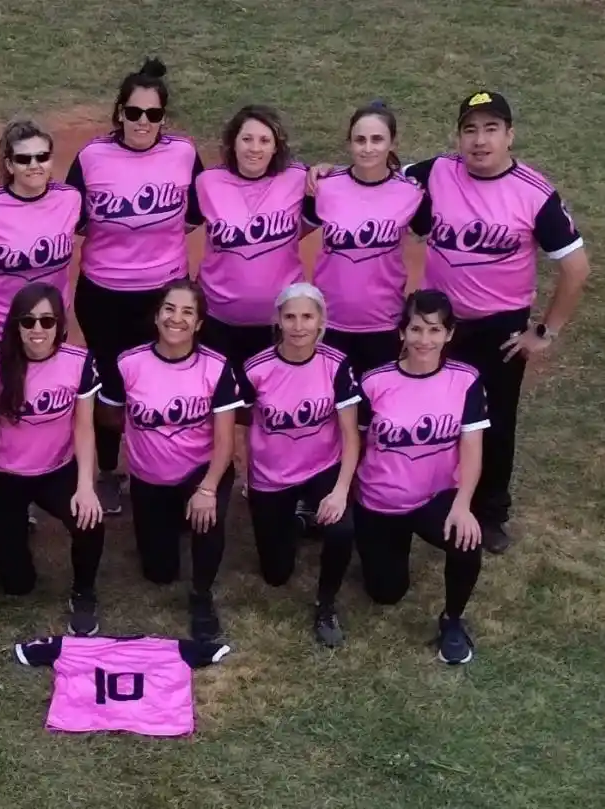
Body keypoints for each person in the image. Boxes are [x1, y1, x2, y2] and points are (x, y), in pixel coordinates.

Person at [313, 91, 591, 554]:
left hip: (499, 327)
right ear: (458, 135)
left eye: (491, 129)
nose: (479, 141)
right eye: (470, 129)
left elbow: (577, 267)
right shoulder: (435, 173)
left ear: (509, 134)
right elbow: (375, 171)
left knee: (495, 420)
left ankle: (491, 511)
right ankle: (417, 493)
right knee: (413, 410)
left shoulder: (533, 192)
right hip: (438, 325)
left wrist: (545, 332)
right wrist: (324, 172)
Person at [67, 58, 205, 515]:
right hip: (104, 293)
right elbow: (76, 219)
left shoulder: (184, 154)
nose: (142, 122)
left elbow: (195, 213)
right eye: (133, 112)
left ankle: (175, 467)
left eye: (152, 114)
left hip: (164, 294)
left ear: (164, 118)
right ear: (119, 113)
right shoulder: (91, 158)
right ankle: (109, 470)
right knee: (111, 385)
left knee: (168, 380)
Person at [99, 279, 241, 642]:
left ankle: (201, 595)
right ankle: (176, 522)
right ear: (157, 316)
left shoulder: (216, 366)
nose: (176, 319)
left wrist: (208, 488)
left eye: (187, 312)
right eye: (169, 309)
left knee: (207, 521)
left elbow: (226, 441)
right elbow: (111, 416)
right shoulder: (129, 363)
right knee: (159, 573)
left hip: (200, 471)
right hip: (149, 479)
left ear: (198, 324)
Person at [354, 290, 489, 664]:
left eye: (434, 330)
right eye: (415, 329)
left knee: (466, 541)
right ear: (401, 332)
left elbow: (472, 448)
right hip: (380, 500)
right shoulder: (373, 383)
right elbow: (356, 444)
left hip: (436, 496)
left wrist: (463, 505)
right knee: (385, 593)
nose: (424, 340)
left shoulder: (466, 381)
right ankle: (377, 546)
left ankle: (453, 619)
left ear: (449, 334)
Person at [239, 283, 360, 646]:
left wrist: (340, 491)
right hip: (271, 476)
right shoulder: (256, 368)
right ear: (277, 320)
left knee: (341, 528)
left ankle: (326, 604)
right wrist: (246, 470)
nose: (298, 326)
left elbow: (351, 435)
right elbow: (239, 422)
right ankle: (299, 517)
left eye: (307, 316)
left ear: (321, 321)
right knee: (276, 574)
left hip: (321, 467)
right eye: (290, 316)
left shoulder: (335, 364)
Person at [0, 283, 105, 636]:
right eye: (28, 320)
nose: (38, 330)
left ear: (59, 325)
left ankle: (84, 592)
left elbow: (84, 427)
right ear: (16, 325)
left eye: (47, 321)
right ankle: (14, 529)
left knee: (89, 521)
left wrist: (86, 487)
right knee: (16, 585)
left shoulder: (79, 362)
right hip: (3, 473)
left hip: (56, 470)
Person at [304, 102, 431, 374]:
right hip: (329, 322)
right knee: (329, 408)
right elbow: (291, 235)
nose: (368, 147)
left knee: (377, 409)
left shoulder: (410, 193)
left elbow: (439, 238)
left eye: (377, 139)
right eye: (360, 140)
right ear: (349, 142)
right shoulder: (325, 186)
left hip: (383, 325)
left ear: (392, 143)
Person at [0, 119, 81, 395]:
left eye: (42, 157)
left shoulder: (71, 200)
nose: (34, 165)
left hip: (46, 327)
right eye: (24, 159)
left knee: (39, 403)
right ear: (10, 165)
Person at [195, 104, 310, 374]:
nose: (254, 148)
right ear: (233, 143)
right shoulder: (206, 183)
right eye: (246, 139)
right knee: (220, 403)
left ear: (275, 147)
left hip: (281, 322)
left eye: (264, 140)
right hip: (218, 320)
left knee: (274, 404)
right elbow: (181, 224)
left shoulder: (299, 179)